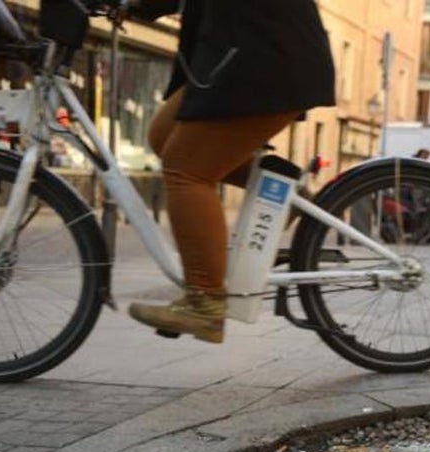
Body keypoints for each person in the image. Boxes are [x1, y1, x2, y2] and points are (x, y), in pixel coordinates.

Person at [126, 0, 335, 344]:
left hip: (265, 55)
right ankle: (287, 196)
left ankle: (205, 303)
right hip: (246, 50)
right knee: (163, 137)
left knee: (186, 170)